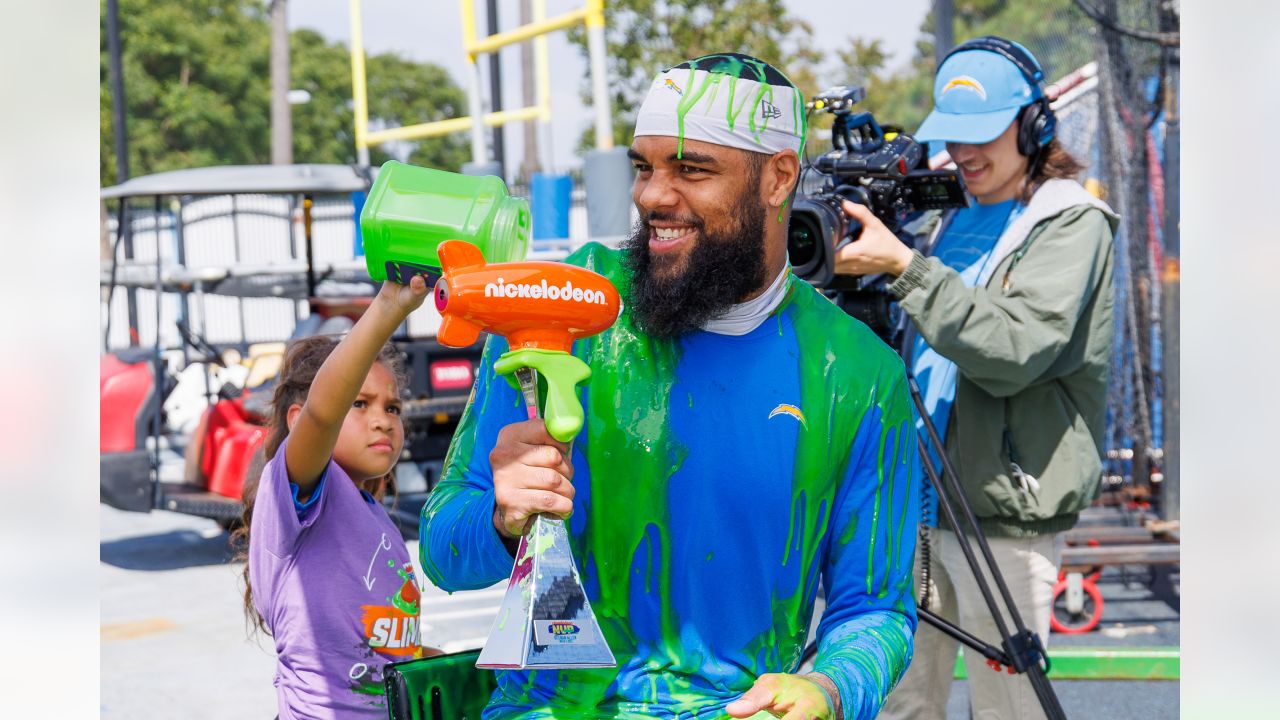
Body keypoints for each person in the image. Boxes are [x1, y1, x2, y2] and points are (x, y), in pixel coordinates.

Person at [421, 53, 920, 719]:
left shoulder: (858, 373)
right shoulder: (557, 310)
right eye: (644, 166)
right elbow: (443, 551)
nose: (652, 195)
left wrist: (828, 688)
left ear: (777, 178)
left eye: (691, 169)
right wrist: (502, 521)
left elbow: (876, 609)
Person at [834, 37, 1118, 720]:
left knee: (1009, 707)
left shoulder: (1069, 223)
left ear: (1034, 125)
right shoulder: (943, 214)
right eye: (952, 137)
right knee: (901, 701)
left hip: (1002, 513)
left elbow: (1015, 345)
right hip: (914, 505)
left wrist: (904, 267)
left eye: (981, 136)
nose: (963, 154)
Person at [234, 276, 437, 719]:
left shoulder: (377, 519)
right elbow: (323, 412)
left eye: (393, 408)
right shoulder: (296, 498)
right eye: (360, 404)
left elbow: (387, 653)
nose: (383, 420)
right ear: (297, 419)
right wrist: (387, 308)